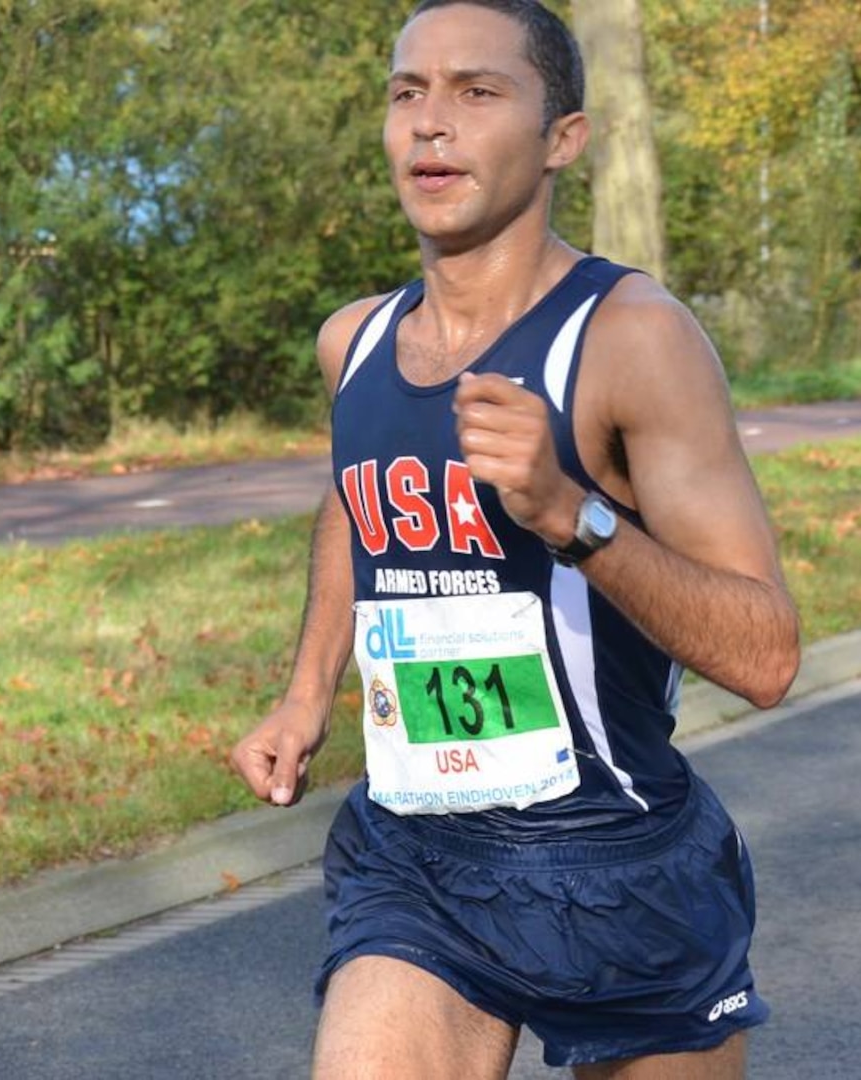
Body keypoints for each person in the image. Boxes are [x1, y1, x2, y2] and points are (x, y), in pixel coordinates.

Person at [228, 2, 801, 1077]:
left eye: (476, 92)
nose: (430, 125)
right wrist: (306, 693)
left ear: (561, 139)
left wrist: (569, 516)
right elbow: (359, 508)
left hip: (614, 861)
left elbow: (765, 656)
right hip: (419, 854)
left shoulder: (632, 338)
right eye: (409, 93)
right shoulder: (352, 343)